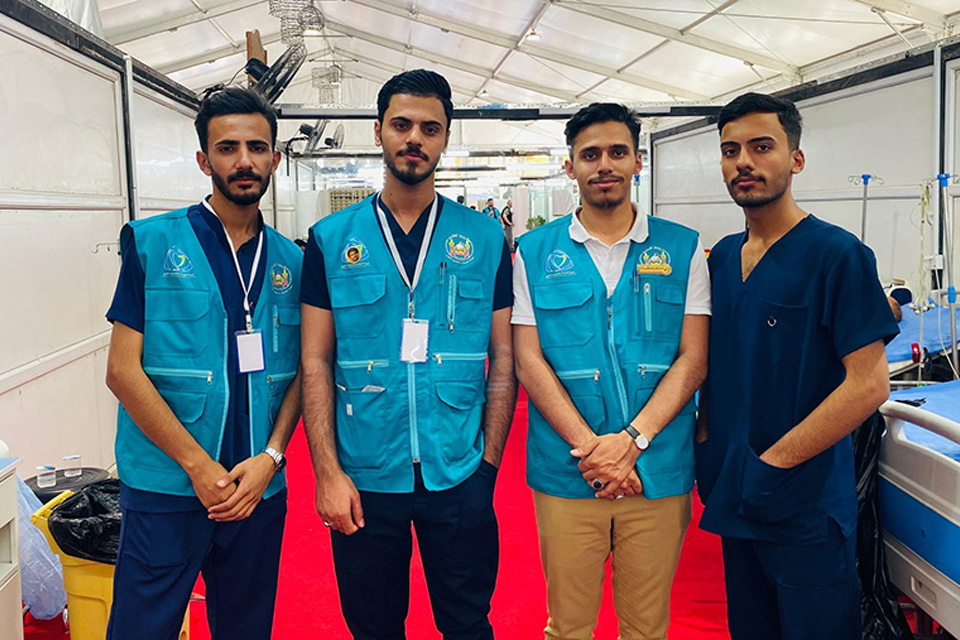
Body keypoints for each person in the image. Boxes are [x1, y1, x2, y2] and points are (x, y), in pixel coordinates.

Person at [300, 69, 516, 640]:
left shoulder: (485, 238)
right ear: (378, 132)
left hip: (458, 472)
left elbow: (503, 357)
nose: (414, 138)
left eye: (430, 128)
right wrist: (327, 472)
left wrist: (487, 468)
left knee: (468, 624)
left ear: (445, 138)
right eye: (401, 125)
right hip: (365, 477)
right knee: (373, 627)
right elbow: (315, 360)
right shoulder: (329, 239)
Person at [695, 92, 899, 640]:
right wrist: (708, 444)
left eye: (762, 147)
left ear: (796, 159)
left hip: (804, 506)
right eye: (731, 150)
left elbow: (869, 384)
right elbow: (716, 365)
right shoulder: (721, 258)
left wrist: (776, 464)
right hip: (735, 494)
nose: (744, 162)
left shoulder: (838, 255)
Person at [104, 86, 303, 639]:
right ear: (203, 159)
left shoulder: (292, 261)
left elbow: (302, 374)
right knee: (141, 629)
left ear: (275, 160)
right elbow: (122, 370)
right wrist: (196, 465)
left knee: (246, 629)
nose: (244, 161)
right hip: (168, 488)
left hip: (256, 489)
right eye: (228, 147)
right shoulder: (151, 243)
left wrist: (271, 458)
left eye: (257, 148)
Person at [513, 103, 710, 640]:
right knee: (568, 627)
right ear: (570, 165)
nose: (605, 165)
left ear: (638, 161)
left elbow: (693, 358)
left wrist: (632, 442)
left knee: (646, 627)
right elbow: (529, 360)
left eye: (618, 152)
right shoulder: (533, 252)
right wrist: (594, 453)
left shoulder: (683, 248)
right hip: (568, 471)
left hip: (657, 470)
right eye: (590, 154)